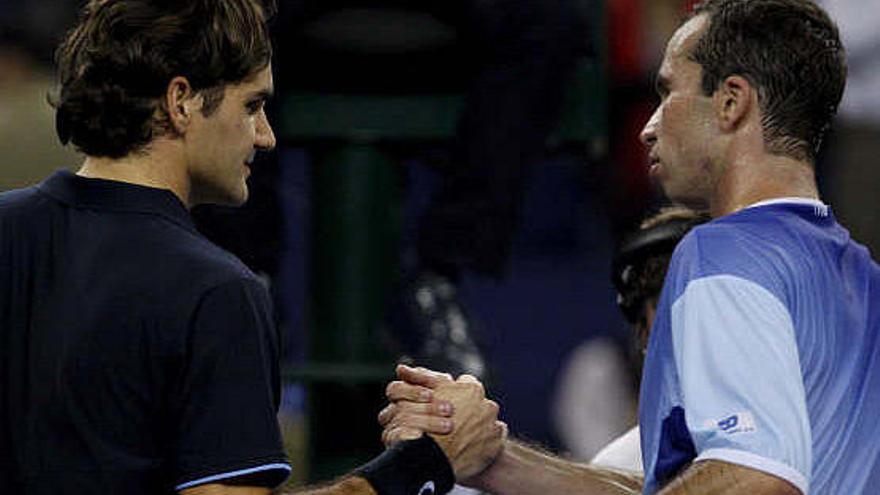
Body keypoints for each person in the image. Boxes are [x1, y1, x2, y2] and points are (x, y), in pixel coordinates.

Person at [0, 1, 504, 494]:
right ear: (181, 102)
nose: (266, 137)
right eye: (253, 106)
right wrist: (422, 465)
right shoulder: (217, 291)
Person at [381, 0, 880, 493]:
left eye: (668, 93)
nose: (649, 127)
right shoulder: (863, 278)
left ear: (732, 102)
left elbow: (755, 477)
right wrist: (498, 462)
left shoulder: (724, 254)